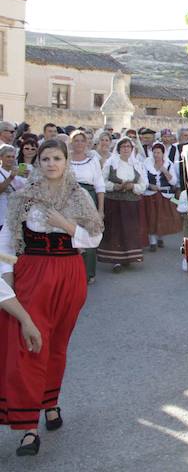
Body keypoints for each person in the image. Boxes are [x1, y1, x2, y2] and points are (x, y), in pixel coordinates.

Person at [0, 139, 103, 456]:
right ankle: (28, 426)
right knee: (29, 345)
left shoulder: (78, 196)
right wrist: (9, 280)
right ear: (36, 161)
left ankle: (51, 403)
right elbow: (6, 241)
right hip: (32, 275)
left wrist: (67, 226)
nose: (50, 163)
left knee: (56, 345)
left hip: (69, 276)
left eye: (57, 158)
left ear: (66, 161)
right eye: (45, 158)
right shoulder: (23, 198)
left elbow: (95, 236)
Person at [98, 138, 148, 272]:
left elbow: (143, 185)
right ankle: (116, 261)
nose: (126, 149)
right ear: (119, 149)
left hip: (131, 204)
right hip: (114, 203)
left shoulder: (137, 164)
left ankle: (127, 258)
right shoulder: (111, 163)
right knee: (115, 230)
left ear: (132, 149)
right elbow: (102, 182)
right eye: (123, 147)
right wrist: (115, 186)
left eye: (128, 147)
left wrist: (133, 186)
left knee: (129, 230)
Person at [67, 130, 105, 284]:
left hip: (89, 197)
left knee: (89, 233)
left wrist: (100, 209)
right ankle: (73, 272)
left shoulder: (93, 160)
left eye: (82, 141)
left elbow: (99, 184)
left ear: (87, 143)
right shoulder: (66, 159)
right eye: (76, 140)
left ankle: (88, 273)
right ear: (71, 142)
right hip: (69, 198)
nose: (79, 144)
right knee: (71, 234)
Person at [142, 142, 182, 252]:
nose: (156, 155)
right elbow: (144, 179)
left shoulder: (168, 164)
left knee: (163, 217)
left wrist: (164, 170)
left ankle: (160, 237)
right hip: (150, 195)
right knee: (151, 217)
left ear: (163, 153)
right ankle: (152, 242)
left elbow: (173, 181)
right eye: (154, 152)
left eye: (158, 152)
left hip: (166, 195)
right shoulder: (146, 163)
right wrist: (150, 185)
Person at [0, 145, 28, 232]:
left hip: (16, 217)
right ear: (1, 157)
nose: (11, 159)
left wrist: (29, 177)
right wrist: (11, 177)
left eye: (13, 157)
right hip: (2, 218)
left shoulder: (17, 172)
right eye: (8, 156)